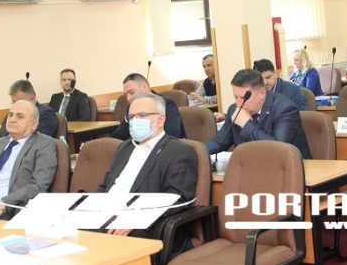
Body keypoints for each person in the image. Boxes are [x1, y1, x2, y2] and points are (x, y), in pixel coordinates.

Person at [98, 93, 198, 238]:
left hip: (142, 227)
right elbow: (105, 186)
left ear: (160, 120)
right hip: (106, 218)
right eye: (132, 117)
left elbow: (177, 199)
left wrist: (138, 217)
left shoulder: (179, 151)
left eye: (142, 115)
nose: (135, 121)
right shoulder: (124, 148)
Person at [207, 69, 311, 159]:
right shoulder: (234, 110)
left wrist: (246, 125)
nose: (238, 103)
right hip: (253, 167)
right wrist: (200, 154)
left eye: (244, 98)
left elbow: (278, 149)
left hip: (291, 168)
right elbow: (218, 143)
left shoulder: (285, 109)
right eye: (236, 97)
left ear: (261, 93)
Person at [112, 73, 186, 140]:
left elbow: (172, 135)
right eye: (126, 94)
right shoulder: (132, 107)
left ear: (144, 87)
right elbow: (120, 134)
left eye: (131, 93)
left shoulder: (166, 104)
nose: (128, 98)